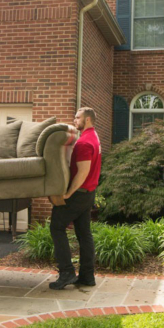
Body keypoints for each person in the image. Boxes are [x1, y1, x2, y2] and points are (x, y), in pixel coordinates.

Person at [48, 107, 102, 290]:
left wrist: (68, 193)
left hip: (79, 194)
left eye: (78, 117)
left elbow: (83, 172)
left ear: (87, 120)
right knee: (84, 234)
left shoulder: (84, 142)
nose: (74, 120)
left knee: (56, 226)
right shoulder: (94, 137)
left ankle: (67, 273)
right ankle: (87, 276)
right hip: (89, 193)